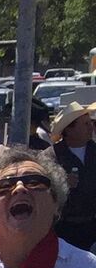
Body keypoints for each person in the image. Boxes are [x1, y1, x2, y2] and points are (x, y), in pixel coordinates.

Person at [46, 99, 96, 250]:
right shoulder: (52, 156)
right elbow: (40, 189)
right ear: (69, 129)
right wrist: (59, 184)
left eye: (91, 123)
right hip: (64, 228)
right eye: (85, 124)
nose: (91, 127)